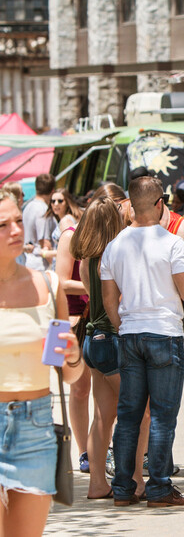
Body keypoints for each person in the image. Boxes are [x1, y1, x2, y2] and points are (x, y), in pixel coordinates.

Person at [101, 176, 184, 507]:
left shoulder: (114, 246)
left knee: (128, 415)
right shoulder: (171, 243)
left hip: (130, 335)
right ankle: (158, 487)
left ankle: (123, 488)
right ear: (160, 204)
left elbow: (109, 301)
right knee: (161, 415)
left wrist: (123, 325)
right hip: (164, 334)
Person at [0, 188, 83, 535]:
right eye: (2, 225)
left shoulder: (47, 287)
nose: (17, 230)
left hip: (35, 428)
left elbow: (67, 374)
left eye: (19, 220)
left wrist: (73, 356)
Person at [70, 197, 149, 500]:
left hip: (92, 342)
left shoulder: (87, 260)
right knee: (141, 412)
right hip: (112, 340)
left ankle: (97, 484)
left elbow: (92, 295)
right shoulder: (114, 256)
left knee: (103, 416)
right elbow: (120, 299)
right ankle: (137, 480)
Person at [46, 187, 92, 473]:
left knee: (101, 392)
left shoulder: (112, 237)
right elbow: (60, 282)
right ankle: (84, 451)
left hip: (95, 319)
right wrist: (95, 288)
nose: (56, 204)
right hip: (71, 320)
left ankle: (97, 451)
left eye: (59, 200)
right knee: (76, 390)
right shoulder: (69, 236)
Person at [21, 173, 56, 270]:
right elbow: (45, 242)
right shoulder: (44, 210)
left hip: (27, 261)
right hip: (40, 265)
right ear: (52, 191)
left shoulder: (28, 207)